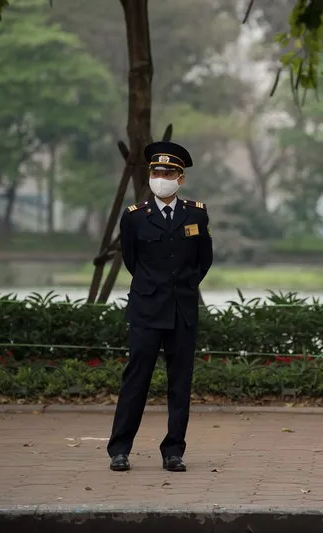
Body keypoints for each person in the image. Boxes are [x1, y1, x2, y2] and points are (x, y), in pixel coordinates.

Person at [107, 140, 213, 473]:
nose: (161, 178)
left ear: (181, 178)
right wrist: (153, 287)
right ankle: (119, 450)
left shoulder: (196, 214)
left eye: (168, 173)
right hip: (147, 309)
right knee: (135, 380)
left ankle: (173, 451)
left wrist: (184, 285)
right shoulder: (134, 217)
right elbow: (132, 260)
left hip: (182, 310)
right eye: (156, 172)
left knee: (180, 383)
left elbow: (203, 260)